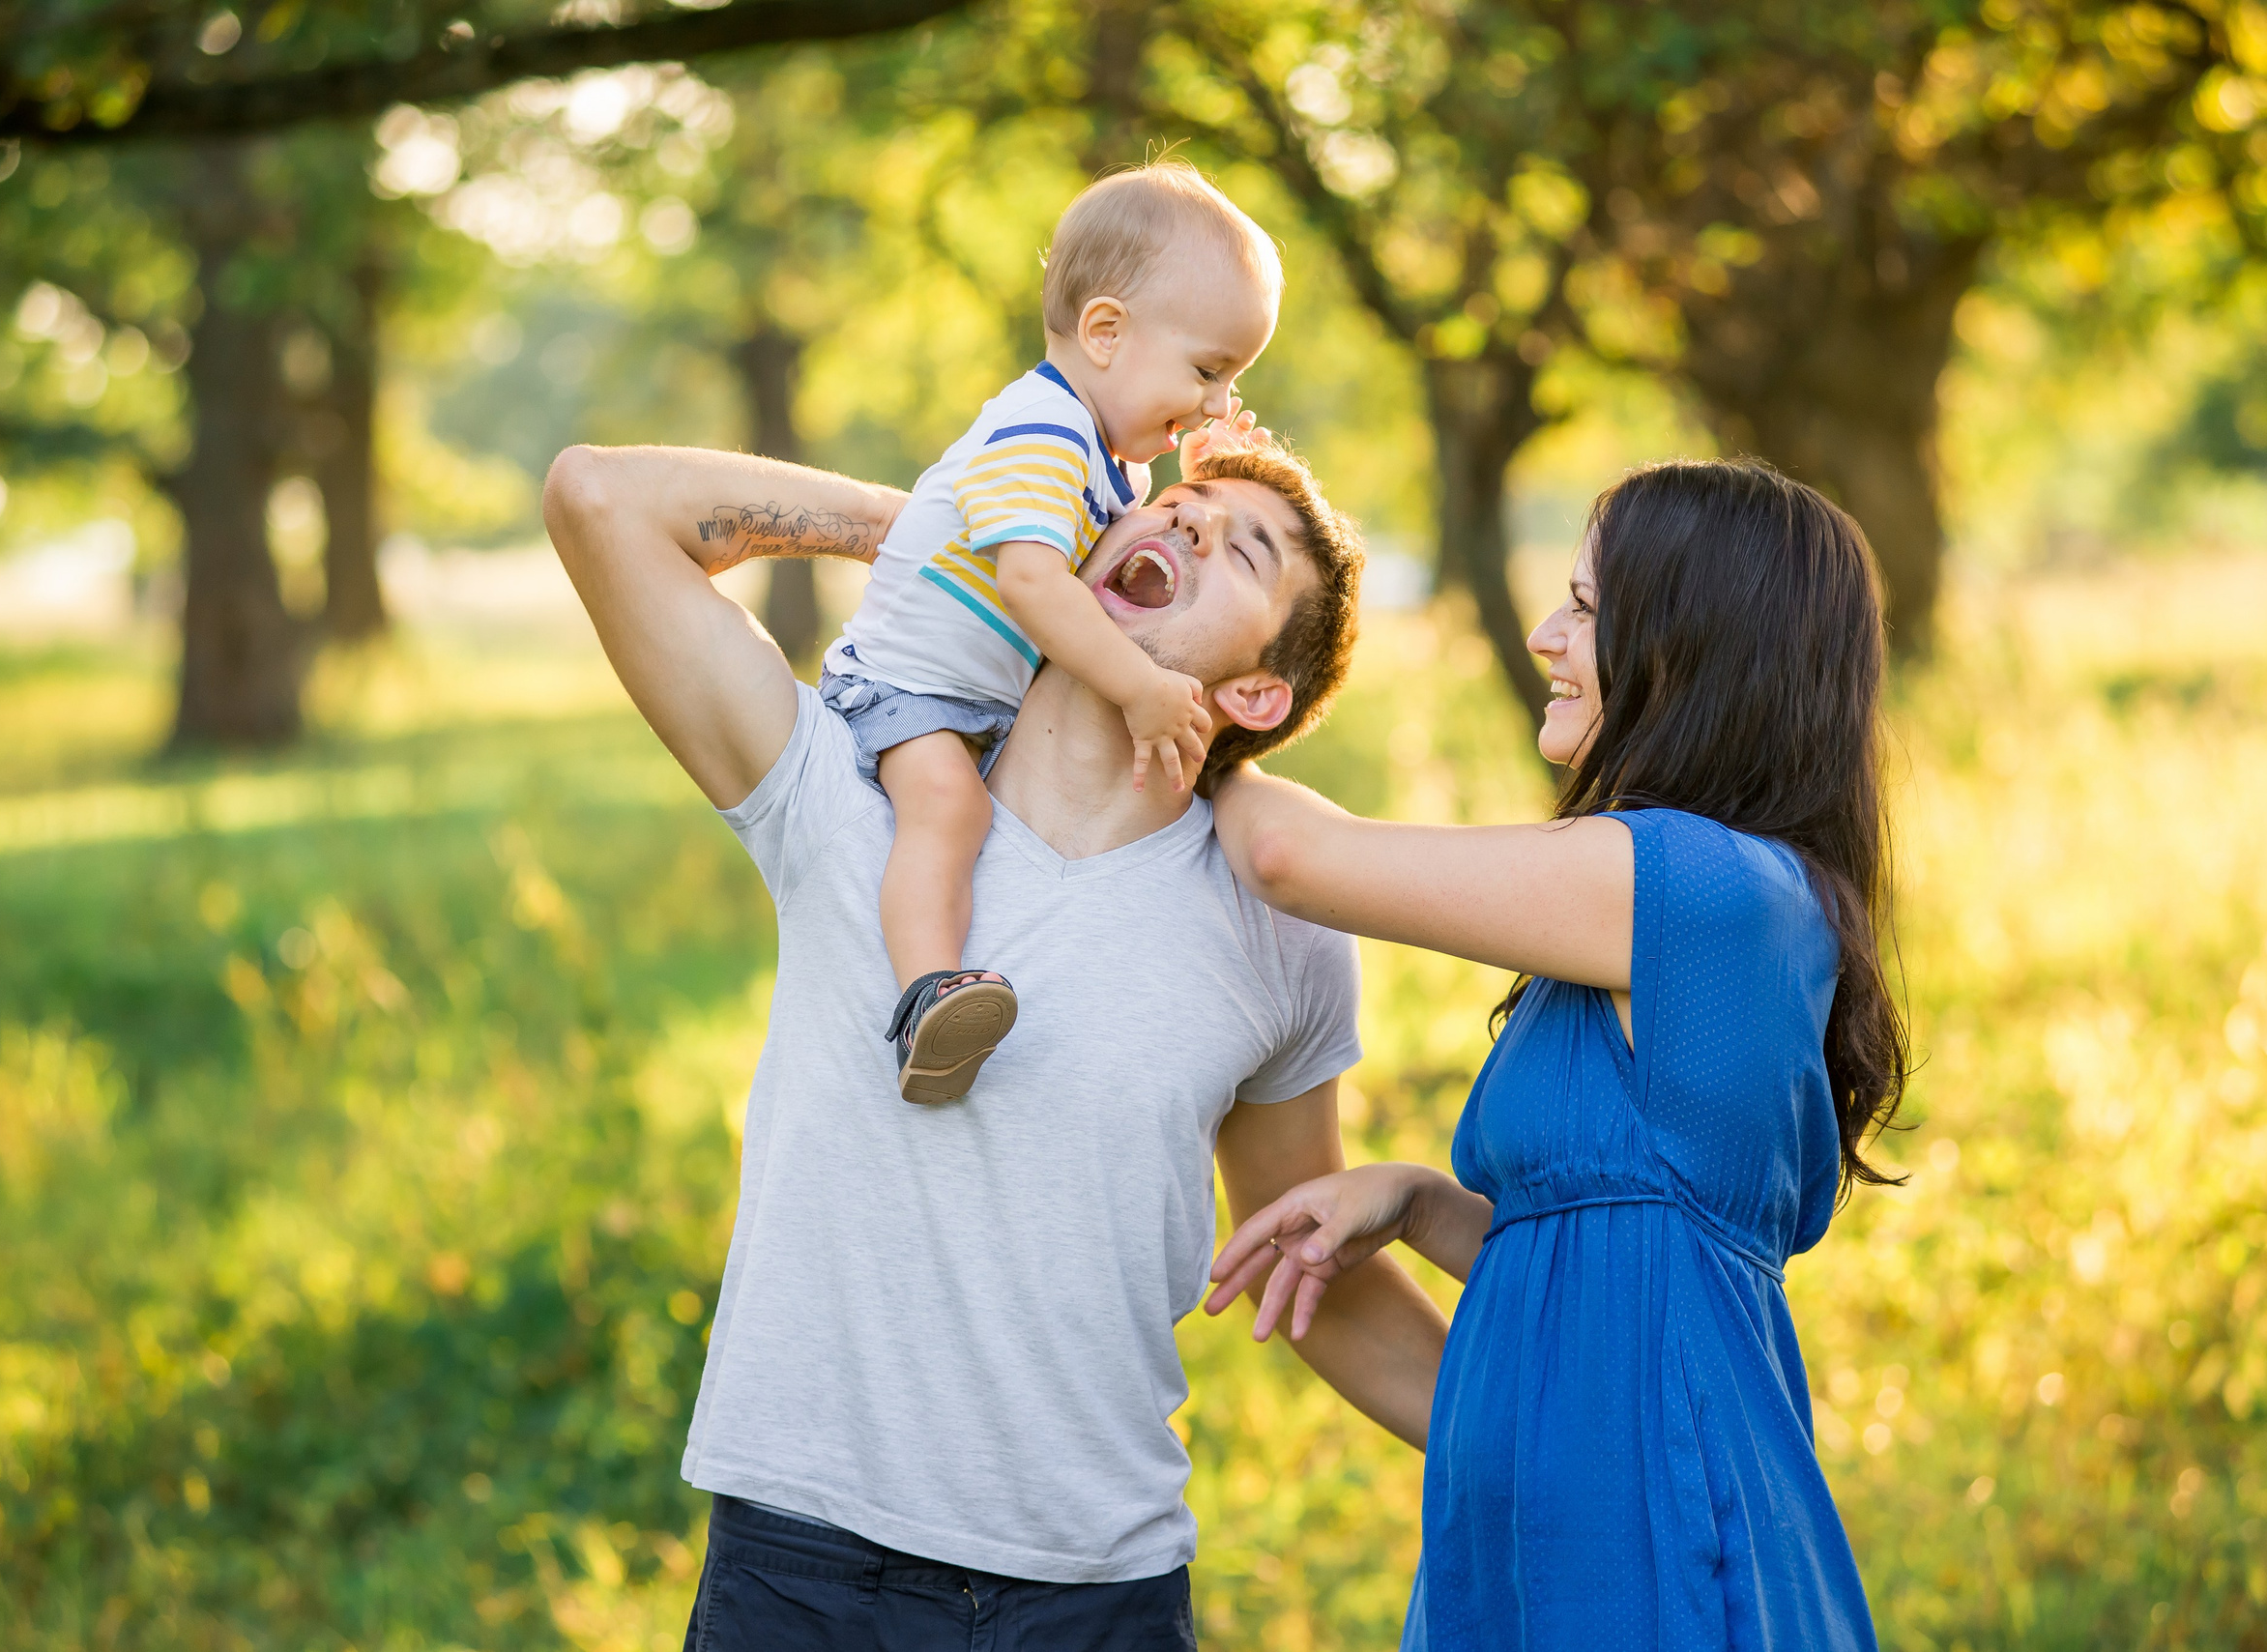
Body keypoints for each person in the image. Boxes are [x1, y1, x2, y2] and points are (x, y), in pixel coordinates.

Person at [542, 425, 1448, 1651]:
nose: (1185, 520)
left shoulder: (1276, 925)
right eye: (1176, 501)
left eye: (1246, 550)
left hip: (1093, 1590)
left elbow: (1306, 1269)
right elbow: (601, 498)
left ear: (1252, 695)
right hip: (804, 1567)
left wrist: (1562, 1452)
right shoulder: (848, 791)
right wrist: (958, 530)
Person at [1201, 458, 1908, 1650]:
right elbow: (1614, 1267)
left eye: (1583, 607)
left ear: (1691, 644)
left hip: (1654, 1533)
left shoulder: (1700, 885)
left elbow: (1287, 857)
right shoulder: (1676, 904)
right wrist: (1422, 1202)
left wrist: (1170, 690)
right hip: (1561, 1527)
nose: (1542, 635)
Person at [820, 159, 1283, 1102]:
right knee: (948, 807)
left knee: (965, 805)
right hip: (905, 682)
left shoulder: (1102, 455)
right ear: (1104, 332)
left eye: (1232, 381)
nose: (1216, 400)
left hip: (965, 693)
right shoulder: (1041, 431)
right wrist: (1137, 685)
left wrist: (1207, 458)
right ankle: (926, 993)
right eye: (1207, 371)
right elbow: (1031, 579)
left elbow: (1122, 539)